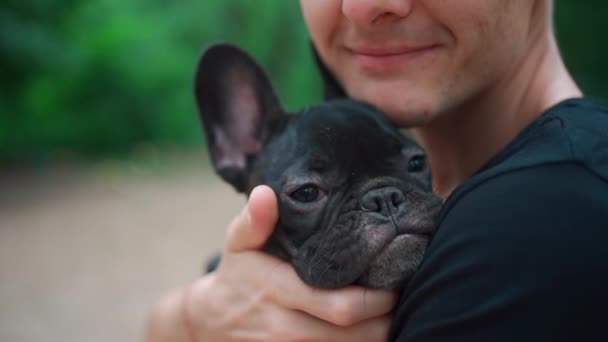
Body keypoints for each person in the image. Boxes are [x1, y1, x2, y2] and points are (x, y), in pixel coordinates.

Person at [145, 1, 608, 341]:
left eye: (410, 169)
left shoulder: (540, 225)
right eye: (309, 192)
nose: (368, 4)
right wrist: (197, 313)